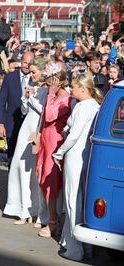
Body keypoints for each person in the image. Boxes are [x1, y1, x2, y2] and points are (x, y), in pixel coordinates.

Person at [53, 73, 102, 261]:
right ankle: (75, 243)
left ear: (83, 88)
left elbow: (73, 135)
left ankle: (75, 248)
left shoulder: (83, 106)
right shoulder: (95, 106)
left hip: (75, 155)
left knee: (72, 200)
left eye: (73, 87)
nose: (71, 90)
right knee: (78, 200)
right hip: (85, 155)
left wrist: (59, 151)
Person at [3, 58, 48, 224]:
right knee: (19, 166)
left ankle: (37, 211)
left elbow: (45, 111)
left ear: (43, 71)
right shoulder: (31, 84)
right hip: (26, 128)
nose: (31, 75)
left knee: (36, 172)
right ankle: (22, 210)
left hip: (37, 129)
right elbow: (24, 110)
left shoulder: (47, 89)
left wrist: (32, 99)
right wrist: (26, 98)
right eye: (31, 71)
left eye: (34, 72)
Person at [36, 62, 73, 238]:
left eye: (50, 82)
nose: (48, 85)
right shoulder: (57, 97)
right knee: (43, 178)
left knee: (50, 181)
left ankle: (53, 222)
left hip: (54, 141)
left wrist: (50, 96)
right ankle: (52, 218)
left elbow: (50, 116)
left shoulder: (66, 99)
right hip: (46, 139)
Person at [0, 51, 34, 161]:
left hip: (29, 123)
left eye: (29, 63)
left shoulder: (35, 78)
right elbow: (1, 102)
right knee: (12, 157)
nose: (26, 66)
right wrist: (0, 123)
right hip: (12, 123)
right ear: (20, 62)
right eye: (25, 62)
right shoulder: (10, 77)